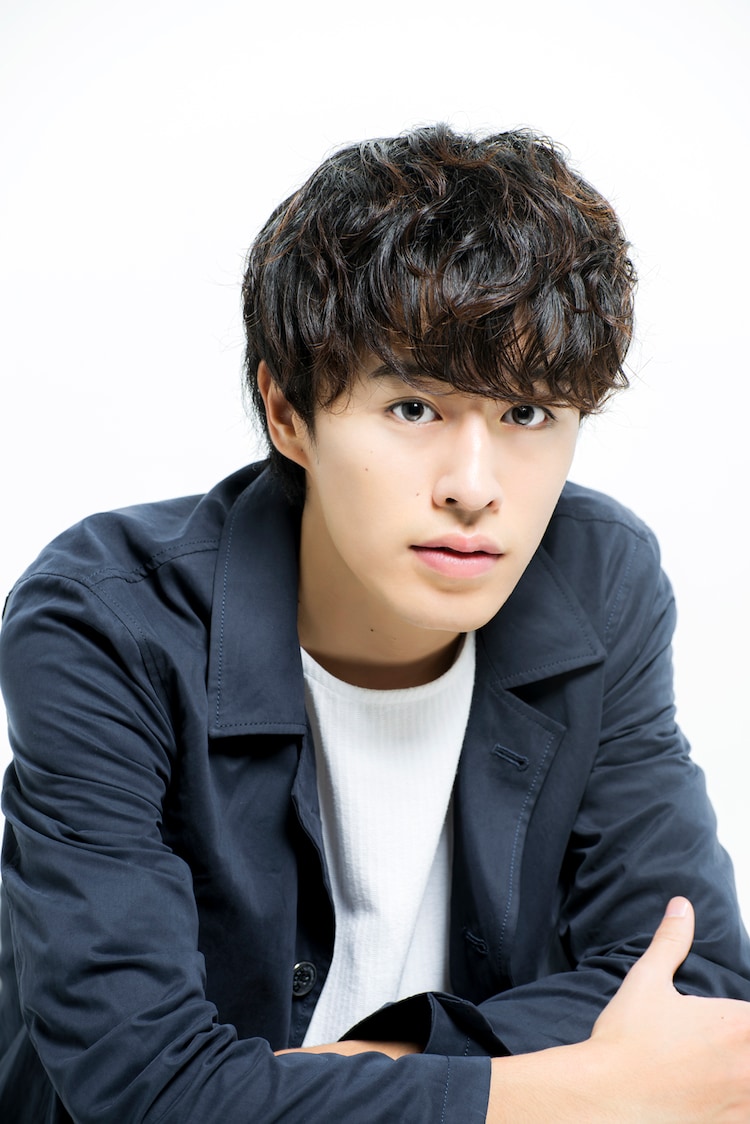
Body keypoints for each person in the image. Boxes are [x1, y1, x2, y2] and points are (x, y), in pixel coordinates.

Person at [1, 124, 749, 1123]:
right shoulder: (107, 620)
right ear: (287, 412)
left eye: (527, 414)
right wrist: (570, 1092)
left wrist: (347, 1067)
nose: (474, 487)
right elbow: (141, 1087)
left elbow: (694, 984)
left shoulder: (598, 579)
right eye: (413, 409)